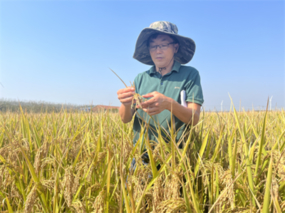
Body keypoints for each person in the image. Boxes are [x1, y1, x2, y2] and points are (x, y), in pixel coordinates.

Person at [117, 21, 204, 160]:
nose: (158, 50)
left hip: (175, 156)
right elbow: (125, 118)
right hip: (141, 155)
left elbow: (194, 118)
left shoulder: (190, 75)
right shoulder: (141, 78)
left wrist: (169, 104)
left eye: (163, 45)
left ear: (175, 47)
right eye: (153, 46)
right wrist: (126, 103)